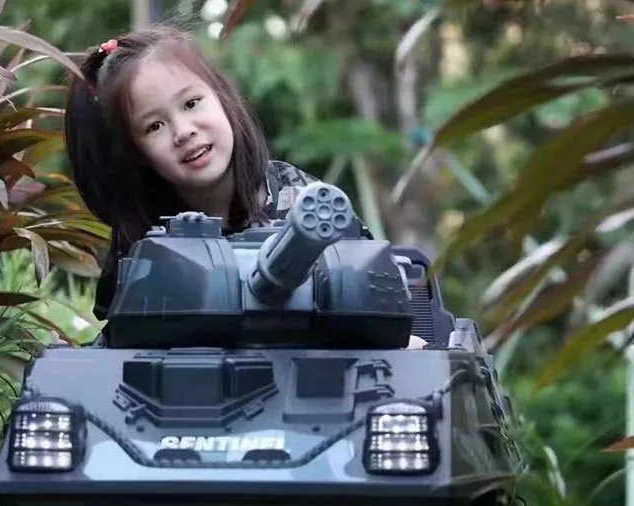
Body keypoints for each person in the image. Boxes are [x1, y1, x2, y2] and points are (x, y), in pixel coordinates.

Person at [64, 23, 427, 348]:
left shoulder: (304, 204)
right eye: (154, 126)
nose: (184, 131)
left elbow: (375, 303)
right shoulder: (145, 235)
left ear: (223, 98)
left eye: (191, 103)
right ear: (137, 151)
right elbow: (122, 342)